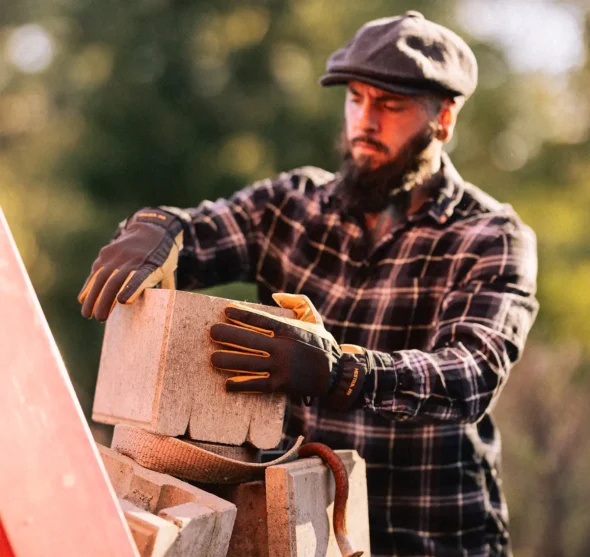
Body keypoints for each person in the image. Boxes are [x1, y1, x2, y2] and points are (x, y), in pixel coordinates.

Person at [78, 11, 538, 557]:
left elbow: (474, 372)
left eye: (390, 106)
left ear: (444, 118)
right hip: (307, 535)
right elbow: (195, 236)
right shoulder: (292, 204)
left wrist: (342, 373)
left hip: (430, 532)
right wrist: (156, 229)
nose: (366, 120)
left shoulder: (491, 235)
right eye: (356, 99)